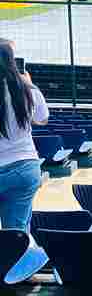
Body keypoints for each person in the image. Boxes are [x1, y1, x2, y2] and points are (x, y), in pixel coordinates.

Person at [0, 40, 48, 232]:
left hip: (20, 167)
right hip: (24, 167)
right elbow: (42, 119)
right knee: (16, 236)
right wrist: (28, 83)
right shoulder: (27, 89)